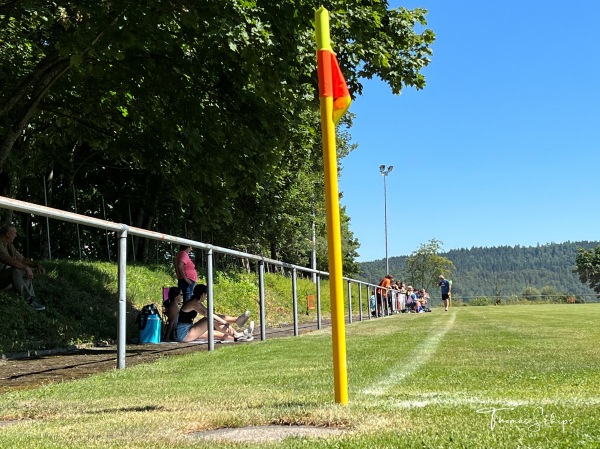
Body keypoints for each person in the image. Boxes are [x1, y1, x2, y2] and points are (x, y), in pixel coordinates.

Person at [175, 284, 253, 343]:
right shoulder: (193, 304)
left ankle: (242, 335)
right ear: (202, 294)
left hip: (188, 330)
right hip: (184, 334)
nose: (206, 297)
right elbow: (210, 316)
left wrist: (224, 322)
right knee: (210, 320)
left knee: (218, 334)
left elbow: (211, 313)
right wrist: (225, 322)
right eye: (206, 295)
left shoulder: (196, 302)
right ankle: (237, 328)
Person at [0, 223, 46, 311]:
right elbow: (7, 259)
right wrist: (26, 267)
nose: (16, 235)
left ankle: (30, 298)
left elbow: (21, 259)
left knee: (24, 271)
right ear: (8, 234)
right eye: (14, 233)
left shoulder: (8, 244)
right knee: (15, 271)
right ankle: (29, 301)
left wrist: (36, 264)